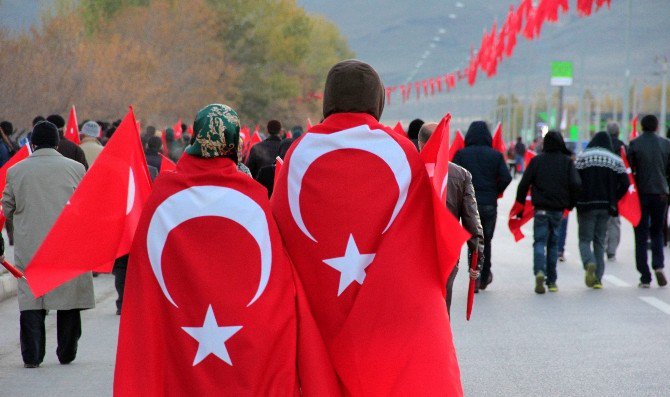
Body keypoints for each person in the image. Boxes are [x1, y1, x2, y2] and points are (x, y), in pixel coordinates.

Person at [271, 60, 464, 394]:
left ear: (328, 99)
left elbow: (280, 227)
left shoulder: (299, 152)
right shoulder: (401, 151)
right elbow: (423, 227)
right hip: (384, 302)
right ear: (377, 100)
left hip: (320, 296)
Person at [115, 104, 326, 395]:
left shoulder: (163, 197)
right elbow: (276, 276)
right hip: (243, 331)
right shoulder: (252, 196)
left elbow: (146, 277)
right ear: (232, 141)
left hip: (181, 330)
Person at [2, 121, 94, 368]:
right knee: (69, 298)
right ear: (57, 142)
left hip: (31, 245)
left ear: (31, 143)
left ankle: (32, 356)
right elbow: (86, 206)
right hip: (67, 244)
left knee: (31, 298)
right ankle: (67, 352)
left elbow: (7, 208)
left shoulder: (16, 171)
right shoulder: (76, 168)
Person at [418, 122, 483, 309]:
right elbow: (472, 222)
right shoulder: (461, 175)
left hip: (413, 252)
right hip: (446, 253)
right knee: (441, 306)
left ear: (420, 144)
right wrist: (476, 261)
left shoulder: (407, 170)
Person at [515, 131, 581, 294]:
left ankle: (539, 271)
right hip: (558, 210)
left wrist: (520, 206)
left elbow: (523, 184)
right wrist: (571, 204)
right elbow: (576, 184)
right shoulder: (566, 162)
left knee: (539, 242)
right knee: (553, 244)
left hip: (541, 210)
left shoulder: (537, 161)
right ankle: (551, 281)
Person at [453, 120, 512, 290]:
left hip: (469, 206)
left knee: (473, 241)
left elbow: (454, 176)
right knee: (487, 241)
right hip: (489, 205)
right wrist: (495, 191)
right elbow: (507, 177)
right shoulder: (495, 155)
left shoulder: (462, 155)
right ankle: (485, 277)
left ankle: (475, 278)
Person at [575, 131, 629, 289]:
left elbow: (575, 180)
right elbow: (625, 183)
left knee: (585, 240)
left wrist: (577, 199)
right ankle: (598, 279)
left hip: (586, 205)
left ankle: (589, 262)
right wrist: (614, 198)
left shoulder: (583, 157)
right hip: (606, 207)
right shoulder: (615, 160)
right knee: (599, 241)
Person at [628, 115, 670, 288]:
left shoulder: (635, 144)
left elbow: (630, 170)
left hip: (641, 194)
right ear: (657, 126)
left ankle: (644, 276)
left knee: (640, 234)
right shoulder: (666, 144)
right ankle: (658, 265)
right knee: (658, 231)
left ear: (643, 127)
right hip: (660, 193)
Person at [606, 122, 626, 260]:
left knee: (602, 221)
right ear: (618, 132)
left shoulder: (602, 146)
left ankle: (600, 245)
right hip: (616, 190)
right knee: (614, 222)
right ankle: (611, 250)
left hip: (601, 189)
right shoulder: (623, 148)